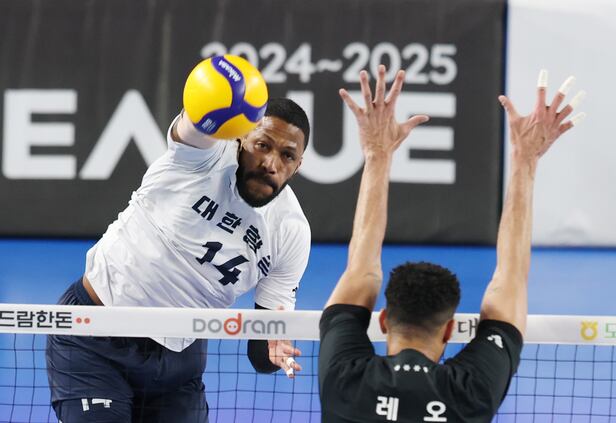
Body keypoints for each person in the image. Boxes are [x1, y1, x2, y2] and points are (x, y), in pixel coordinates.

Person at [318, 66, 585, 422]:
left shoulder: (344, 381)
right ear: (450, 329)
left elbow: (360, 270)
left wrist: (376, 153)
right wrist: (526, 160)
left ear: (383, 320)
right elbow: (510, 280)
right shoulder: (471, 393)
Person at [46, 95, 312, 422]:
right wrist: (220, 87)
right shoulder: (204, 155)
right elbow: (192, 125)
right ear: (242, 137)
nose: (271, 163)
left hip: (178, 365)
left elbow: (261, 353)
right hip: (96, 336)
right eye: (263, 145)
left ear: (298, 165)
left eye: (287, 155)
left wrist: (274, 349)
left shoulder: (291, 231)